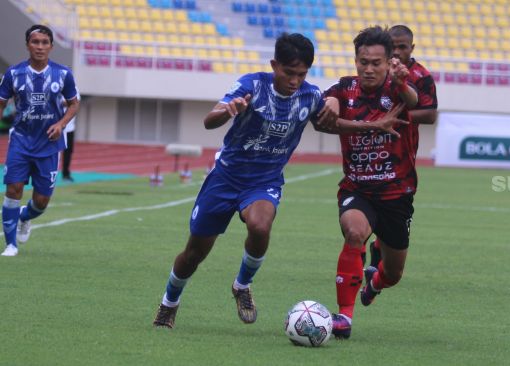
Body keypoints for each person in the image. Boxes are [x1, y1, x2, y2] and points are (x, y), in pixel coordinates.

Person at [152, 33, 340, 328]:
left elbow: (331, 122)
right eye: (289, 73)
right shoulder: (252, 85)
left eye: (301, 74)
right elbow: (209, 120)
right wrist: (228, 111)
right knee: (194, 253)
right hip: (225, 178)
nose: (294, 80)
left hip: (264, 180)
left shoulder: (310, 95)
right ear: (274, 65)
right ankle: (169, 303)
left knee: (260, 225)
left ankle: (242, 285)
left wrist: (368, 124)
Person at [313, 25, 420, 339]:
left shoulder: (398, 87)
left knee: (394, 273)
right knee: (355, 231)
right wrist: (331, 106)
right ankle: (344, 317)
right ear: (356, 60)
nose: (369, 68)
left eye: (376, 63)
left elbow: (412, 100)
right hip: (358, 188)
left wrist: (401, 82)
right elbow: (325, 115)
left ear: (389, 62)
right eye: (363, 62)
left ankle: (375, 283)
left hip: (397, 193)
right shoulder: (344, 89)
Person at [0, 24, 79, 257]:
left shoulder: (63, 74)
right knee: (13, 189)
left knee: (42, 201)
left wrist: (61, 124)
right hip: (21, 141)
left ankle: (25, 216)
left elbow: (74, 104)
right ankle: (11, 244)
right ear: (27, 45)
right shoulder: (13, 74)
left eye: (45, 43)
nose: (40, 47)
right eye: (35, 42)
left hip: (49, 144)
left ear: (51, 47)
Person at [367, 24, 439, 270]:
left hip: (403, 150)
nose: (397, 52)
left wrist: (396, 117)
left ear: (412, 48)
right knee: (370, 191)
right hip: (371, 146)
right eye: (393, 47)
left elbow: (430, 115)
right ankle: (368, 247)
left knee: (396, 199)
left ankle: (379, 245)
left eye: (402, 47)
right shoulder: (375, 70)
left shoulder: (421, 75)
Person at [62, 88, 80, 182]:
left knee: (68, 151)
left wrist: (58, 102)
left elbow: (75, 103)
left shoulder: (73, 87)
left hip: (69, 127)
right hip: (53, 125)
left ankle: (66, 173)